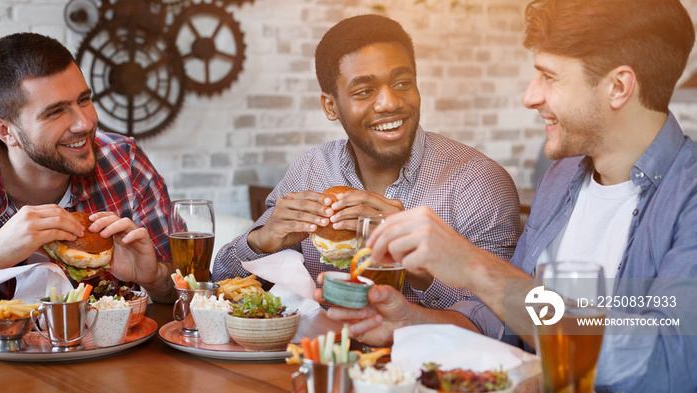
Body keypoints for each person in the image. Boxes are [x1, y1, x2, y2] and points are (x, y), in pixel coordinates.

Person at [318, 0, 697, 391]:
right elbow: (507, 319)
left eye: (549, 77)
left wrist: (475, 267)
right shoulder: (562, 178)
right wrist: (412, 321)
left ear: (618, 87)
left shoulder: (689, 200)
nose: (530, 97)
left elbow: (663, 366)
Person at [213, 14, 520, 310]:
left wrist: (416, 266)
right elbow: (221, 285)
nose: (389, 103)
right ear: (330, 106)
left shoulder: (479, 183)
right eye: (364, 91)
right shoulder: (310, 171)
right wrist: (261, 242)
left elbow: (506, 320)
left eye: (402, 83)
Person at [0, 33, 176, 303]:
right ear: (5, 131)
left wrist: (153, 277)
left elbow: (188, 293)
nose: (84, 123)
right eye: (56, 112)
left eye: (83, 100)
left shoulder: (124, 163)